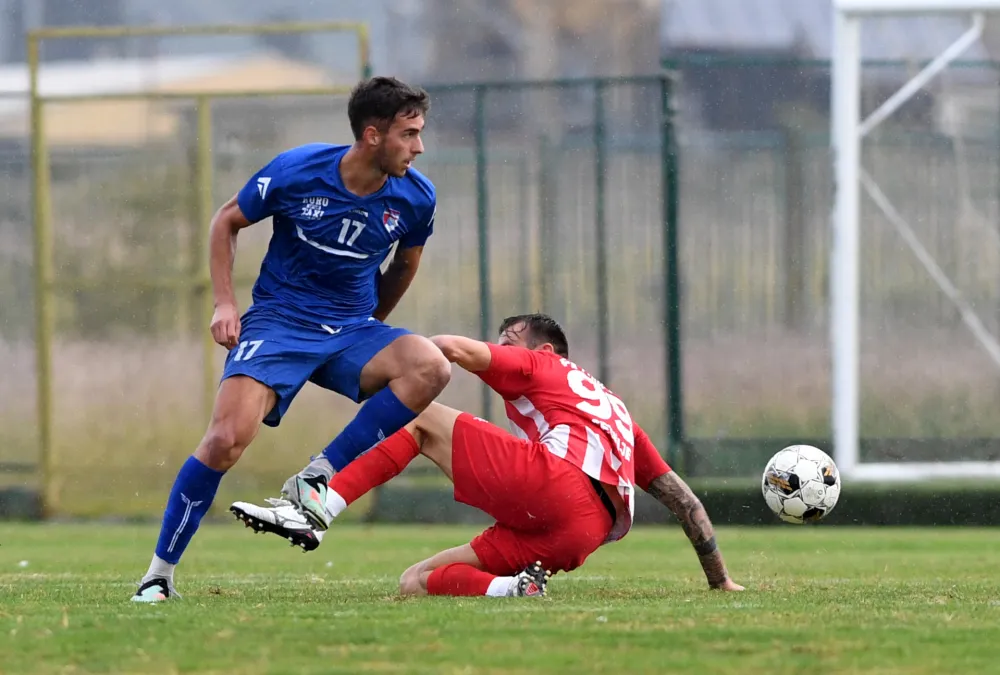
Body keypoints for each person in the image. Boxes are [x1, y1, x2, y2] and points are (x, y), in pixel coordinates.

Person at [131, 76, 452, 603]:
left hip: (351, 329)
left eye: (420, 133)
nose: (419, 146)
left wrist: (371, 324)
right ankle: (158, 576)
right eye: (409, 134)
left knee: (431, 366)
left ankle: (316, 479)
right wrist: (226, 303)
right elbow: (226, 221)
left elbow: (406, 264)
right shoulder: (299, 170)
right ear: (372, 135)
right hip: (280, 324)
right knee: (224, 441)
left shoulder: (416, 196)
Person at [232, 314, 743, 597]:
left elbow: (448, 349)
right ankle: (513, 590)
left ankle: (319, 509)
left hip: (555, 486)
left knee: (418, 417)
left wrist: (393, 359)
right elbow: (685, 501)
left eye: (511, 341)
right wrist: (719, 580)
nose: (503, 348)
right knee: (417, 582)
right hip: (580, 535)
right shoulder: (616, 415)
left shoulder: (541, 366)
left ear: (545, 352)